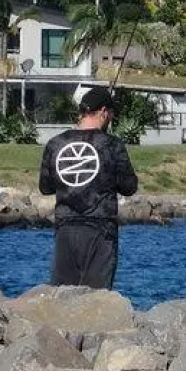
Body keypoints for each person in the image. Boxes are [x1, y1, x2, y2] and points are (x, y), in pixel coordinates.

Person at [38, 88, 139, 289]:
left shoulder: (55, 144)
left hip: (65, 230)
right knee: (96, 298)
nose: (112, 117)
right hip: (101, 231)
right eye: (111, 113)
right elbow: (129, 187)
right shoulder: (112, 145)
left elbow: (46, 187)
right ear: (103, 111)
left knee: (62, 296)